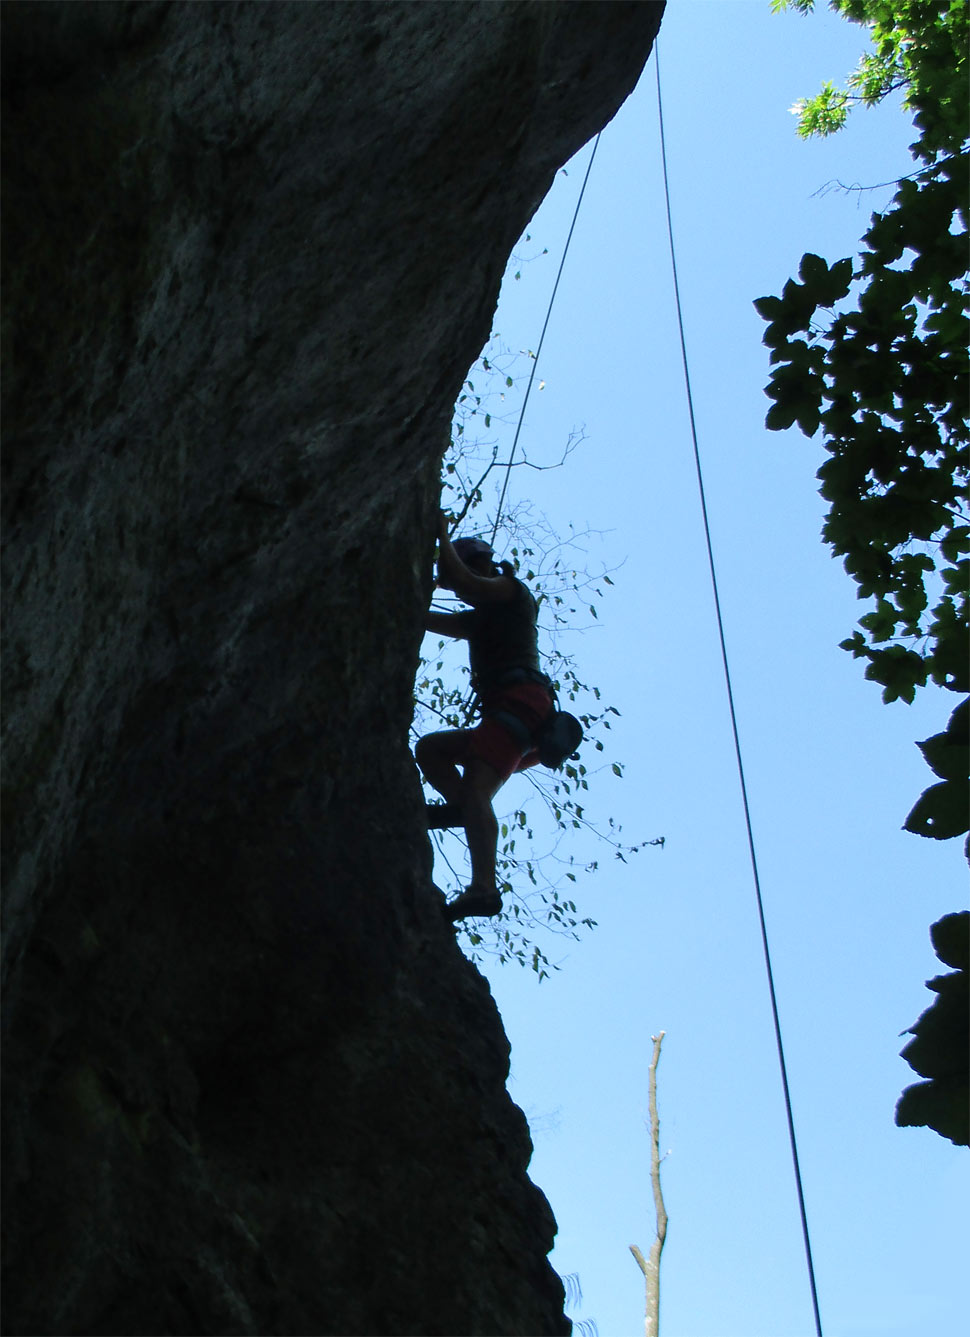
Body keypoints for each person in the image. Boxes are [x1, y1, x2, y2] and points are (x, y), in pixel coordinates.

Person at [416, 511, 554, 922]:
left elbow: (466, 583)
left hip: (522, 707)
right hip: (513, 717)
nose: (457, 593)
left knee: (478, 788)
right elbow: (423, 619)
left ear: (481, 563)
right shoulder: (480, 619)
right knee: (432, 750)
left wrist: (440, 535)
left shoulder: (512, 591)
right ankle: (460, 808)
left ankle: (483, 889)